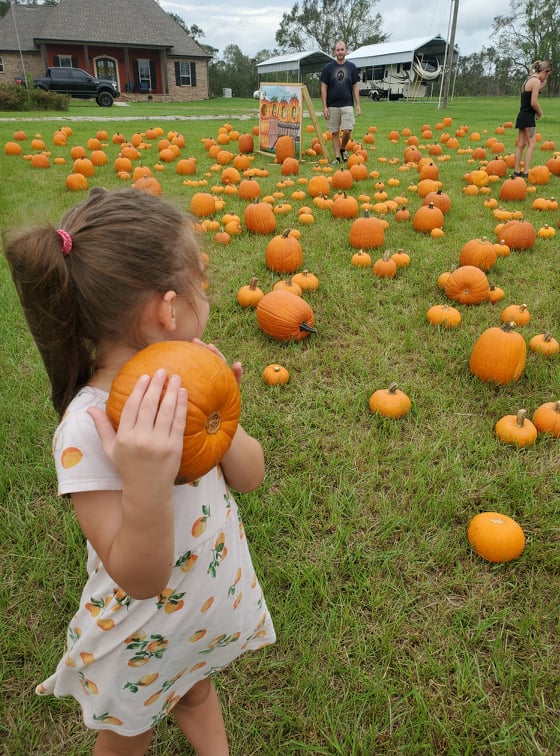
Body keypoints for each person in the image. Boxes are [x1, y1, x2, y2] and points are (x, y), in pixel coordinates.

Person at [3, 187, 275, 756]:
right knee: (129, 735)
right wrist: (148, 482)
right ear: (166, 310)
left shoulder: (195, 367)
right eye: (202, 283)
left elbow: (250, 477)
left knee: (197, 694)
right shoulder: (87, 429)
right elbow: (138, 576)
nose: (209, 295)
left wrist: (224, 420)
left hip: (201, 608)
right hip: (142, 633)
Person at [320, 40, 361, 164]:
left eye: (342, 49)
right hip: (332, 104)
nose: (340, 52)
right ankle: (337, 158)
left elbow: (355, 86)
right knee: (335, 133)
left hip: (347, 103)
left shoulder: (352, 67)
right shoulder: (328, 68)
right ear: (334, 52)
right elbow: (323, 87)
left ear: (346, 51)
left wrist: (358, 104)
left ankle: (343, 148)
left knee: (347, 130)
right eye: (338, 50)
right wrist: (325, 106)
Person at [513, 59, 553, 178]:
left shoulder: (529, 80)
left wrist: (542, 85)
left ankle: (517, 171)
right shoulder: (535, 81)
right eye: (548, 74)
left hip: (522, 115)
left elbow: (529, 95)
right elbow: (533, 102)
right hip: (528, 117)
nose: (547, 77)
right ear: (545, 71)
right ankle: (526, 172)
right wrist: (540, 112)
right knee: (532, 144)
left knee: (521, 144)